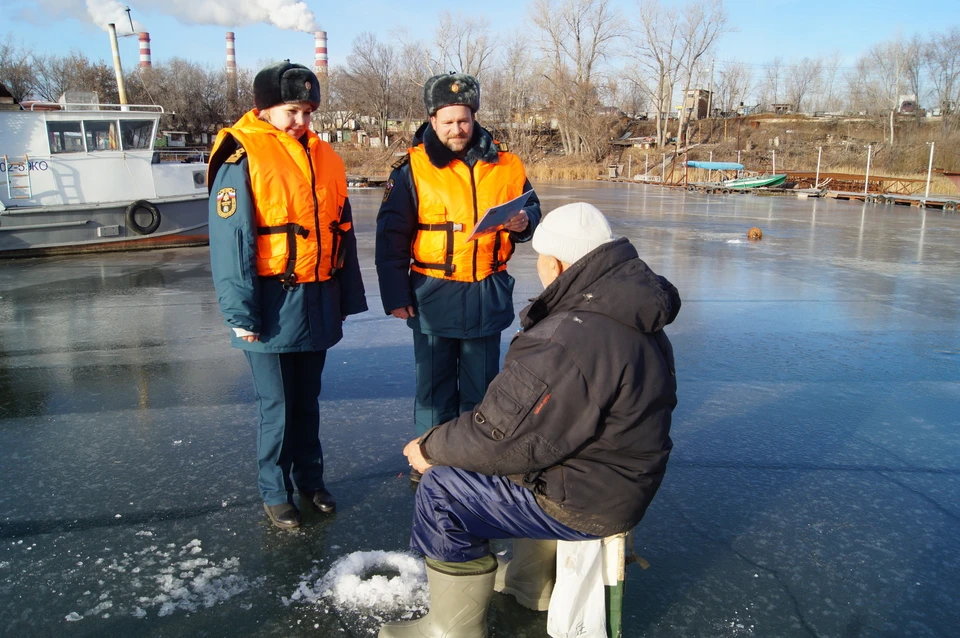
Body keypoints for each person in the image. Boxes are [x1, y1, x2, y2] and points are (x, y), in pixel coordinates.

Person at [378, 202, 680, 637]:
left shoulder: (569, 336)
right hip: (616, 479)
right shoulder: (629, 310)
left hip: (589, 501)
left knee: (442, 490)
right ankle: (530, 584)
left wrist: (428, 448)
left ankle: (451, 628)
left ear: (555, 263)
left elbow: (497, 437)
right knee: (527, 457)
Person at [207, 61, 367, 530]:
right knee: (276, 405)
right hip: (269, 303)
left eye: (309, 112)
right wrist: (240, 313)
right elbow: (230, 242)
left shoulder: (325, 155)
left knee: (307, 401)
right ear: (267, 108)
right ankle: (274, 491)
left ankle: (310, 480)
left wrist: (345, 296)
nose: (302, 121)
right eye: (293, 111)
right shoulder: (243, 156)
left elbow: (344, 232)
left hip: (316, 299)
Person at [375, 73, 542, 482]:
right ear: (432, 119)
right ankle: (428, 459)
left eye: (463, 120)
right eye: (447, 122)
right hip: (433, 294)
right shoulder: (412, 168)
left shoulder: (506, 163)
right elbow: (390, 237)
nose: (457, 129)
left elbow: (532, 210)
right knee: (434, 389)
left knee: (482, 387)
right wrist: (396, 295)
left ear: (474, 117)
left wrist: (523, 222)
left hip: (486, 291)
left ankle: (475, 459)